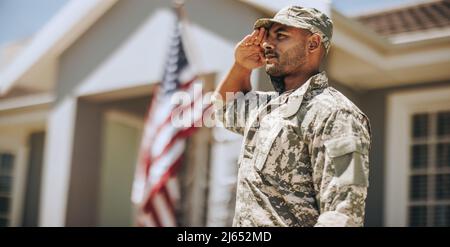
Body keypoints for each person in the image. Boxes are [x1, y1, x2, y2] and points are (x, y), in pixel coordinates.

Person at [211, 6, 372, 227]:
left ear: (313, 43)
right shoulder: (267, 107)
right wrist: (241, 66)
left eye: (281, 36)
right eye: (267, 37)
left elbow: (344, 212)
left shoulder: (337, 114)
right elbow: (223, 109)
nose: (267, 44)